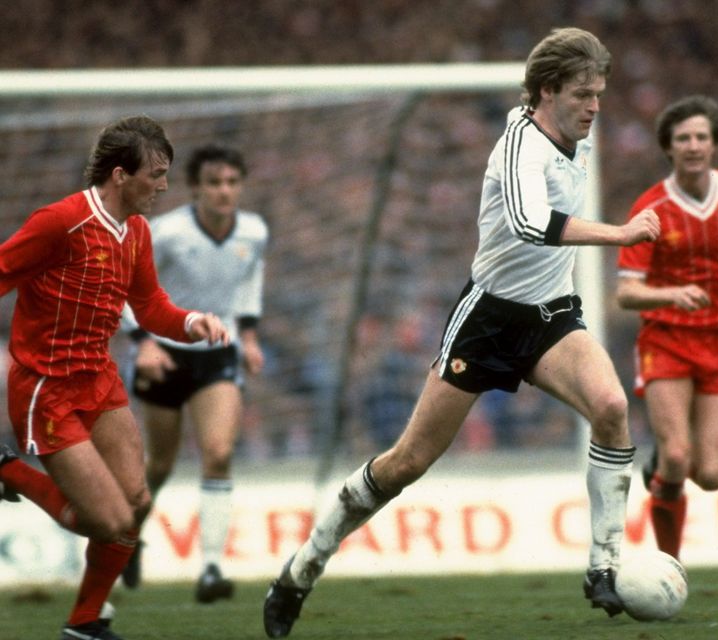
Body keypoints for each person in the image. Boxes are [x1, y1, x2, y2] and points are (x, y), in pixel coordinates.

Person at [261, 27, 662, 638]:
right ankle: (302, 567)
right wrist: (622, 234)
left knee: (610, 406)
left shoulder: (577, 135)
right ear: (547, 91)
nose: (595, 106)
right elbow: (530, 223)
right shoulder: (518, 145)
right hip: (489, 319)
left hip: (552, 314)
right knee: (406, 463)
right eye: (584, 93)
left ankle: (603, 566)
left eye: (600, 93)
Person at [0, 115, 229, 640]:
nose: (165, 185)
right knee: (106, 522)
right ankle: (8, 471)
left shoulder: (137, 232)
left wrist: (192, 322)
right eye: (157, 173)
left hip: (99, 382)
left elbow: (150, 306)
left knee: (137, 505)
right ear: (121, 175)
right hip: (46, 390)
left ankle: (84, 626)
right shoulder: (61, 222)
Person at [616, 95, 718, 559]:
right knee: (677, 457)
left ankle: (663, 473)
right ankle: (671, 565)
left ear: (714, 144)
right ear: (668, 147)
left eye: (701, 137)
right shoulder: (650, 207)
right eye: (683, 138)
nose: (693, 145)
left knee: (710, 475)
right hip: (667, 341)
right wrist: (671, 295)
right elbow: (626, 293)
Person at [119, 144, 268, 602]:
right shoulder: (164, 233)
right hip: (163, 352)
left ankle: (211, 568)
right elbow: (125, 288)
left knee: (219, 451)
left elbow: (249, 280)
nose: (224, 192)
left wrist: (247, 335)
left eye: (231, 183)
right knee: (159, 465)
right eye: (214, 183)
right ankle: (126, 542)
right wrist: (141, 343)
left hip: (217, 351)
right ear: (196, 188)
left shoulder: (254, 231)